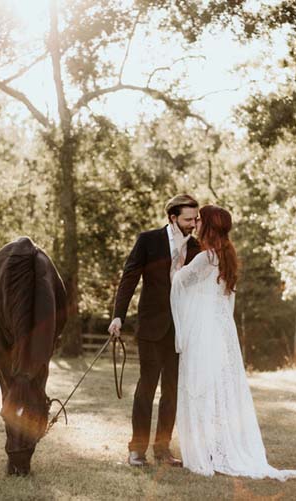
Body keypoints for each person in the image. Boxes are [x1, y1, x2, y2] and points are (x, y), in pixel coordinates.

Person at [170, 205, 296, 480]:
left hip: (203, 330)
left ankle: (207, 451)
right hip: (221, 330)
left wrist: (177, 258)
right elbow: (225, 299)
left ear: (208, 226)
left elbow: (178, 282)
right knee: (218, 387)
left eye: (200, 220)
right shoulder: (227, 255)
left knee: (201, 387)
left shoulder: (205, 258)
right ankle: (216, 446)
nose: (195, 224)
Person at [108, 194, 201, 467]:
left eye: (195, 218)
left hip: (181, 330)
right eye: (188, 219)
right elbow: (129, 278)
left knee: (172, 392)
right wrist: (118, 316)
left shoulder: (196, 246)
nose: (194, 224)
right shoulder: (148, 240)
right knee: (146, 388)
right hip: (151, 327)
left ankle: (162, 449)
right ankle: (137, 449)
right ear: (173, 218)